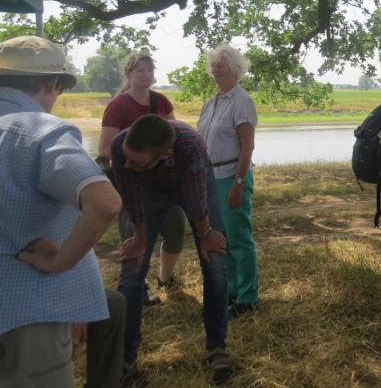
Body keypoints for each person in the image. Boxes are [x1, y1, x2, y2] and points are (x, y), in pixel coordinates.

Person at [0, 36, 122, 387]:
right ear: (52, 84)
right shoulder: (41, 131)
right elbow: (105, 202)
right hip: (29, 315)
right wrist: (61, 262)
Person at [112, 114, 233, 384]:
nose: (127, 165)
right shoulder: (123, 148)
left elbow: (196, 199)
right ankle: (125, 359)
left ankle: (217, 347)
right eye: (126, 157)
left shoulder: (191, 146)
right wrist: (140, 240)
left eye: (137, 161)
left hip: (195, 184)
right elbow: (132, 199)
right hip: (147, 191)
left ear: (165, 154)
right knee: (132, 272)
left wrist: (206, 235)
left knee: (214, 262)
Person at [99, 52, 185, 304]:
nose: (146, 75)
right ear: (129, 74)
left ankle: (166, 278)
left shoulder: (161, 102)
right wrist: (141, 156)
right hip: (131, 184)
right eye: (140, 70)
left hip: (164, 183)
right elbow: (105, 148)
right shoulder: (118, 106)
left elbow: (175, 136)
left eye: (149, 70)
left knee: (176, 228)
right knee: (135, 237)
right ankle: (139, 287)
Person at [197, 44, 258, 319]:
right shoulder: (212, 102)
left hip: (232, 176)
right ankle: (231, 289)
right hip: (211, 178)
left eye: (222, 64)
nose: (216, 69)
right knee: (223, 239)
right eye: (214, 65)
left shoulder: (241, 101)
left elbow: (247, 147)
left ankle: (247, 297)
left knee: (240, 239)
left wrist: (238, 182)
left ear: (235, 69)